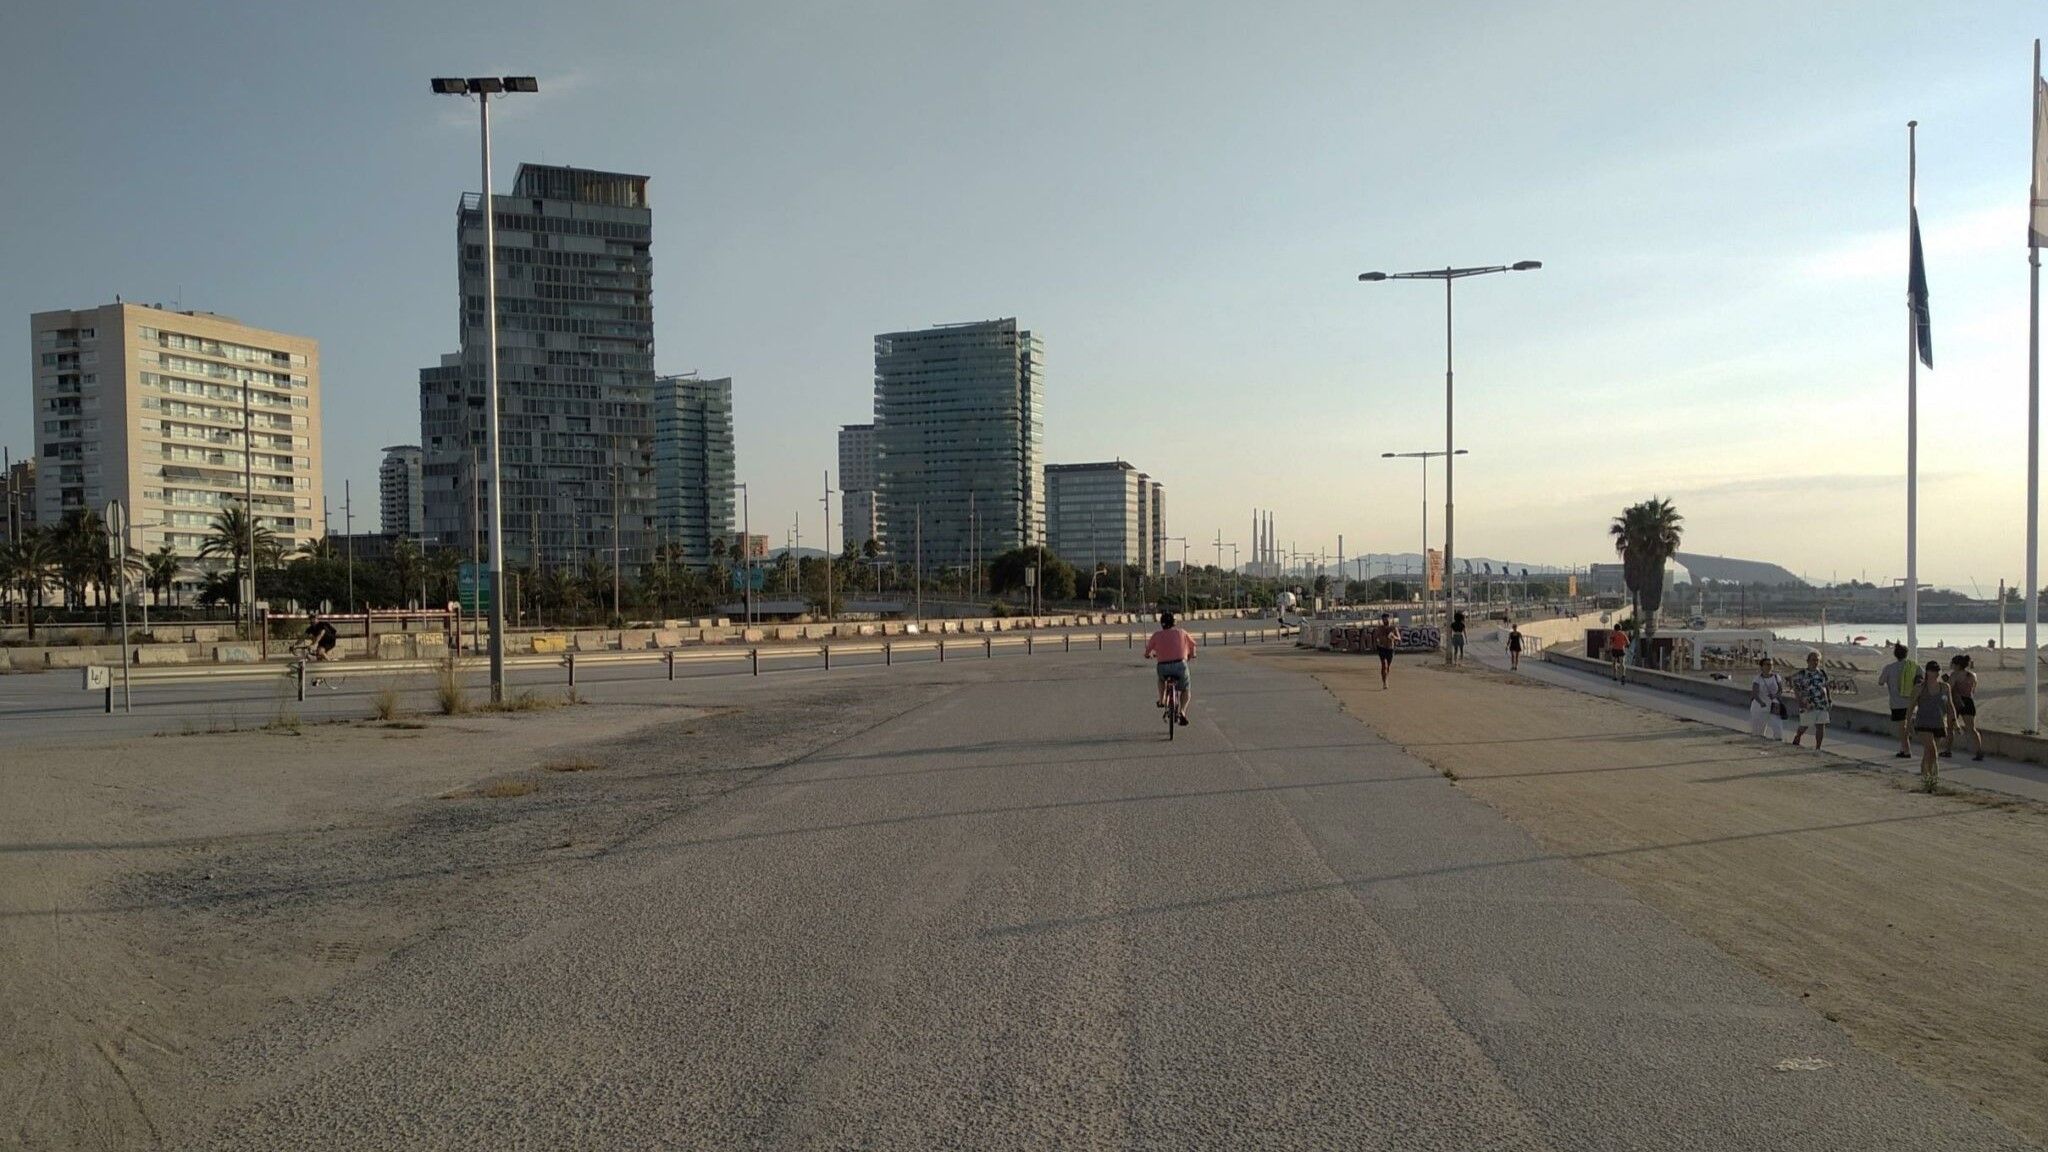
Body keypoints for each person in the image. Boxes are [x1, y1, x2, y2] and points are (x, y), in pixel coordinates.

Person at [1143, 611, 1197, 725]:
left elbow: (1147, 651)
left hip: (1163, 666)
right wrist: (1191, 655)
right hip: (1180, 665)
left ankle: (1162, 700)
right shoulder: (1182, 632)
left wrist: (1148, 655)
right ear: (1174, 622)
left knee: (1161, 679)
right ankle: (1182, 711)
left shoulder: (1156, 635)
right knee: (1186, 689)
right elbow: (1193, 645)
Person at [1911, 658, 1954, 788]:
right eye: (1932, 670)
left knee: (1928, 752)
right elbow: (1910, 707)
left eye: (1936, 670)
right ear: (1927, 672)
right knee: (1932, 750)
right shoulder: (1919, 688)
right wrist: (1907, 724)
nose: (1935, 673)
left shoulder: (1945, 687)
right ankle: (1932, 778)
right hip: (1923, 722)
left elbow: (1950, 705)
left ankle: (1925, 774)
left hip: (1939, 722)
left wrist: (1955, 722)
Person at [1876, 643, 1921, 759]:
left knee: (1902, 728)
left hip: (1897, 703)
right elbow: (1922, 679)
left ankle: (1906, 750)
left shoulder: (1889, 668)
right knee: (1907, 725)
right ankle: (1903, 747)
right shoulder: (1914, 666)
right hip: (1912, 701)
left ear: (1895, 655)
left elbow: (1880, 682)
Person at [1788, 650, 1832, 748]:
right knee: (1805, 725)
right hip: (1807, 703)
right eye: (1813, 660)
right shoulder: (1802, 673)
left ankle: (1818, 747)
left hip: (1821, 703)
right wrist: (1799, 700)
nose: (1815, 662)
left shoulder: (1822, 673)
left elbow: (1827, 686)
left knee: (1821, 725)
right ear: (1808, 661)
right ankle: (1798, 736)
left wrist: (1829, 699)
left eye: (1817, 660)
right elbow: (1794, 684)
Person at [1945, 653, 1983, 761]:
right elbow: (1973, 690)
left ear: (1957, 665)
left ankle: (1948, 750)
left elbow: (1949, 689)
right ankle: (1979, 751)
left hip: (1957, 702)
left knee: (1950, 727)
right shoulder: (1972, 675)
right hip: (1969, 701)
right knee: (1972, 728)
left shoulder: (1954, 675)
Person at [1748, 657, 1785, 740]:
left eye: (1771, 665)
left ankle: (1778, 741)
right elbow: (1755, 693)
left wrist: (1775, 696)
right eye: (1767, 664)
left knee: (1777, 725)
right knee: (1758, 730)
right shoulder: (1757, 679)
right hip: (1759, 705)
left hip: (1774, 705)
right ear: (1761, 666)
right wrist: (1761, 702)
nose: (1769, 666)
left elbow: (1780, 690)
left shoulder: (1776, 677)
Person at [1372, 612, 1399, 689]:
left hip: (1390, 648)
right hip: (1382, 648)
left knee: (1388, 666)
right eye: (1384, 619)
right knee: (1384, 664)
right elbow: (1375, 637)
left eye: (1387, 618)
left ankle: (1386, 677)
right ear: (1382, 620)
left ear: (1389, 619)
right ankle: (1384, 682)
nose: (1385, 620)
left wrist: (1394, 637)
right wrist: (1376, 642)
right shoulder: (1380, 628)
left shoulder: (1393, 628)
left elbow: (1399, 638)